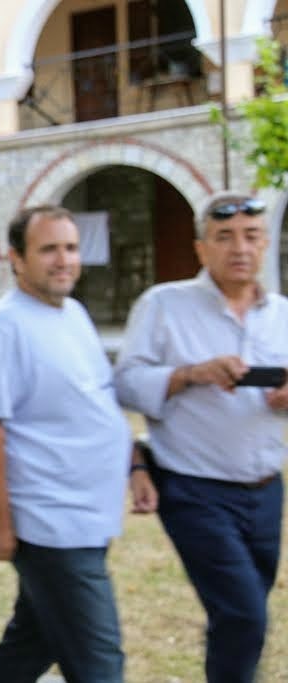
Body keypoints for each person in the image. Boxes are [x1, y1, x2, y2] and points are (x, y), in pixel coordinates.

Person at [0, 206, 153, 683]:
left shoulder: (74, 312)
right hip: (52, 524)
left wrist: (133, 465)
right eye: (48, 249)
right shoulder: (4, 325)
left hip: (89, 516)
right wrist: (2, 524)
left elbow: (97, 403)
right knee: (100, 662)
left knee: (32, 640)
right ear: (17, 258)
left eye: (70, 247)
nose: (64, 260)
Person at [114, 191, 288, 683]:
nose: (240, 248)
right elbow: (125, 385)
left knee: (239, 615)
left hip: (267, 489)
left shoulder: (282, 314)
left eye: (251, 237)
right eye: (224, 237)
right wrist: (192, 373)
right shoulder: (164, 305)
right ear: (200, 248)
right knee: (245, 615)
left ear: (266, 243)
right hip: (195, 489)